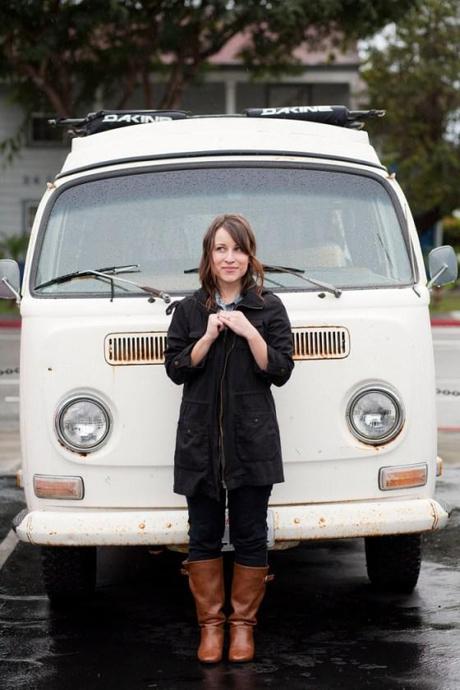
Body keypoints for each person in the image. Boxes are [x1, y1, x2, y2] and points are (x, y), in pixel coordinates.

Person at [165, 213, 294, 663]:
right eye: (221, 248)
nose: (229, 257)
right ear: (209, 255)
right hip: (200, 442)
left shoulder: (268, 307)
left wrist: (248, 330)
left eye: (237, 249)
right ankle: (211, 629)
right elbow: (176, 368)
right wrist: (206, 337)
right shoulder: (188, 310)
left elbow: (280, 369)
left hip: (251, 442)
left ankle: (242, 628)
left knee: (250, 534)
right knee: (201, 535)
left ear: (249, 255)